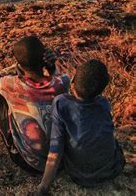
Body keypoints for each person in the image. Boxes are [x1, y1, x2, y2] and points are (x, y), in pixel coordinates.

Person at [0, 36, 70, 173]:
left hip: (28, 162)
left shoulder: (12, 85)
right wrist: (51, 66)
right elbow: (59, 77)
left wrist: (18, 64)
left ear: (20, 65)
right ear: (44, 58)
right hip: (60, 160)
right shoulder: (63, 83)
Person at [37, 59, 125, 194]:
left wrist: (43, 187)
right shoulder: (104, 103)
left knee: (55, 127)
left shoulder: (61, 103)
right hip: (112, 169)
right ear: (102, 89)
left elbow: (55, 153)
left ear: (72, 80)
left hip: (80, 176)